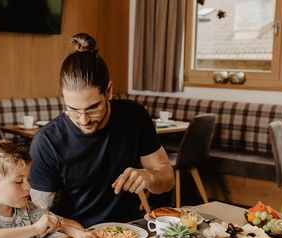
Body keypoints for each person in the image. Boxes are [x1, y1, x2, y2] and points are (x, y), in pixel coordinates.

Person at [29, 33, 175, 227]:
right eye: (72, 109)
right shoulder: (47, 142)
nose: (84, 120)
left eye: (92, 108)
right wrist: (77, 233)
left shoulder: (134, 116)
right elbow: (39, 215)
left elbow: (167, 180)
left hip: (128, 229)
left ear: (109, 91)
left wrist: (150, 176)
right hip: (75, 236)